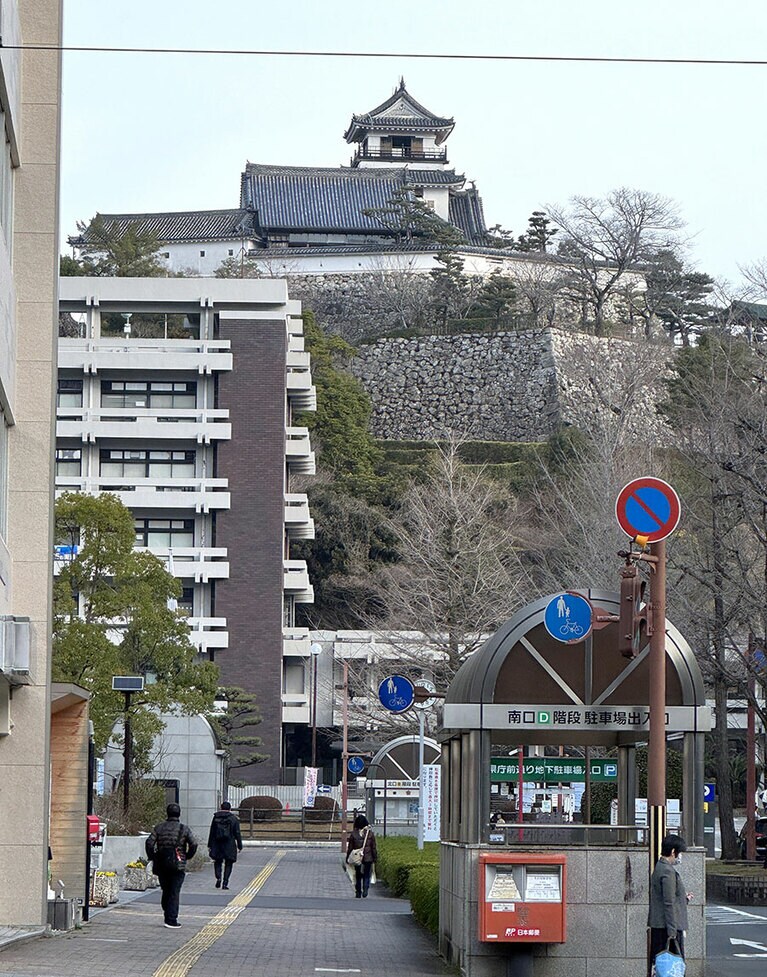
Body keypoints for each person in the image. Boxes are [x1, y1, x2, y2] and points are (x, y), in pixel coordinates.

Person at [146, 803, 198, 928]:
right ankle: (171, 919)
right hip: (178, 864)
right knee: (174, 891)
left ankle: (167, 912)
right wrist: (187, 855)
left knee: (166, 889)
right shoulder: (184, 829)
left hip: (162, 863)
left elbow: (149, 843)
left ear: (167, 813)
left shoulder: (159, 828)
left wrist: (153, 856)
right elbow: (194, 844)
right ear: (179, 814)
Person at [648, 834, 689, 972]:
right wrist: (672, 932)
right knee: (672, 968)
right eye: (679, 852)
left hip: (660, 926)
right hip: (668, 927)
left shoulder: (660, 867)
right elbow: (669, 902)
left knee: (660, 967)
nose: (680, 856)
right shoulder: (667, 872)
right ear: (673, 851)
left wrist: (684, 899)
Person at [207, 800, 243, 890]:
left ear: (221, 807)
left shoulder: (215, 818)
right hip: (229, 844)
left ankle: (218, 877)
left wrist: (210, 845)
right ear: (230, 809)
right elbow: (237, 833)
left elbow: (212, 832)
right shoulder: (233, 819)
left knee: (218, 861)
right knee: (229, 863)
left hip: (217, 843)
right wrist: (239, 845)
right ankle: (225, 883)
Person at [345, 813, 377, 899]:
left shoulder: (354, 834)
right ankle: (365, 888)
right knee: (367, 874)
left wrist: (347, 858)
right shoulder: (370, 834)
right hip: (368, 858)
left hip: (357, 858)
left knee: (358, 875)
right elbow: (373, 847)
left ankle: (358, 892)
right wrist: (374, 857)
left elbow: (350, 848)